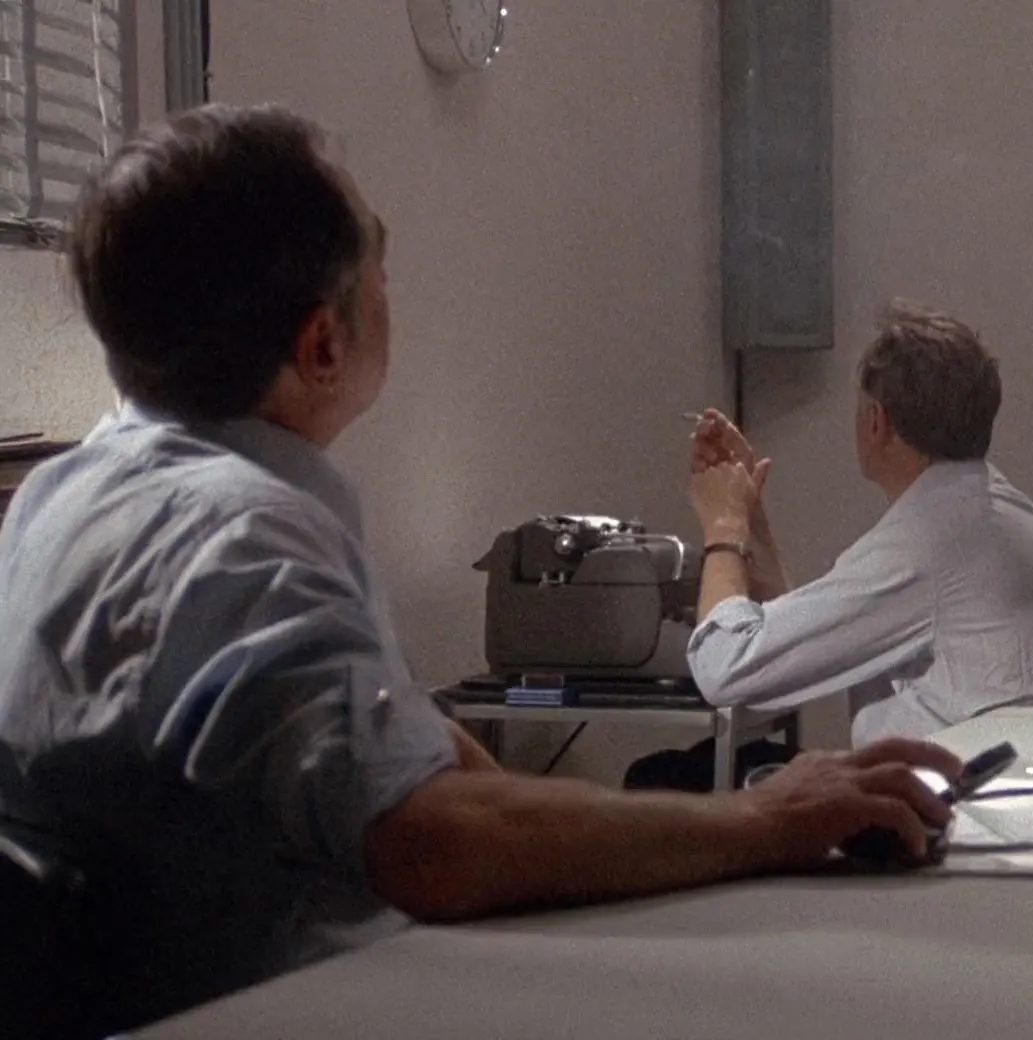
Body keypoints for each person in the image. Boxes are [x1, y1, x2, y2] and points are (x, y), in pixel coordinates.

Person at [0, 103, 962, 1034]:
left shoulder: (60, 496)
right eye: (380, 265)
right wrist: (763, 818)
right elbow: (429, 842)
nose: (393, 290)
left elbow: (396, 754)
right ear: (323, 345)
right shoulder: (246, 537)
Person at [680, 303, 1033, 747]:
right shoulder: (996, 509)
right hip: (1017, 773)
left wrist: (724, 525)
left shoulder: (924, 547)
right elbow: (799, 646)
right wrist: (749, 516)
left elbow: (723, 667)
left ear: (876, 422)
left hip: (963, 785)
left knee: (669, 772)